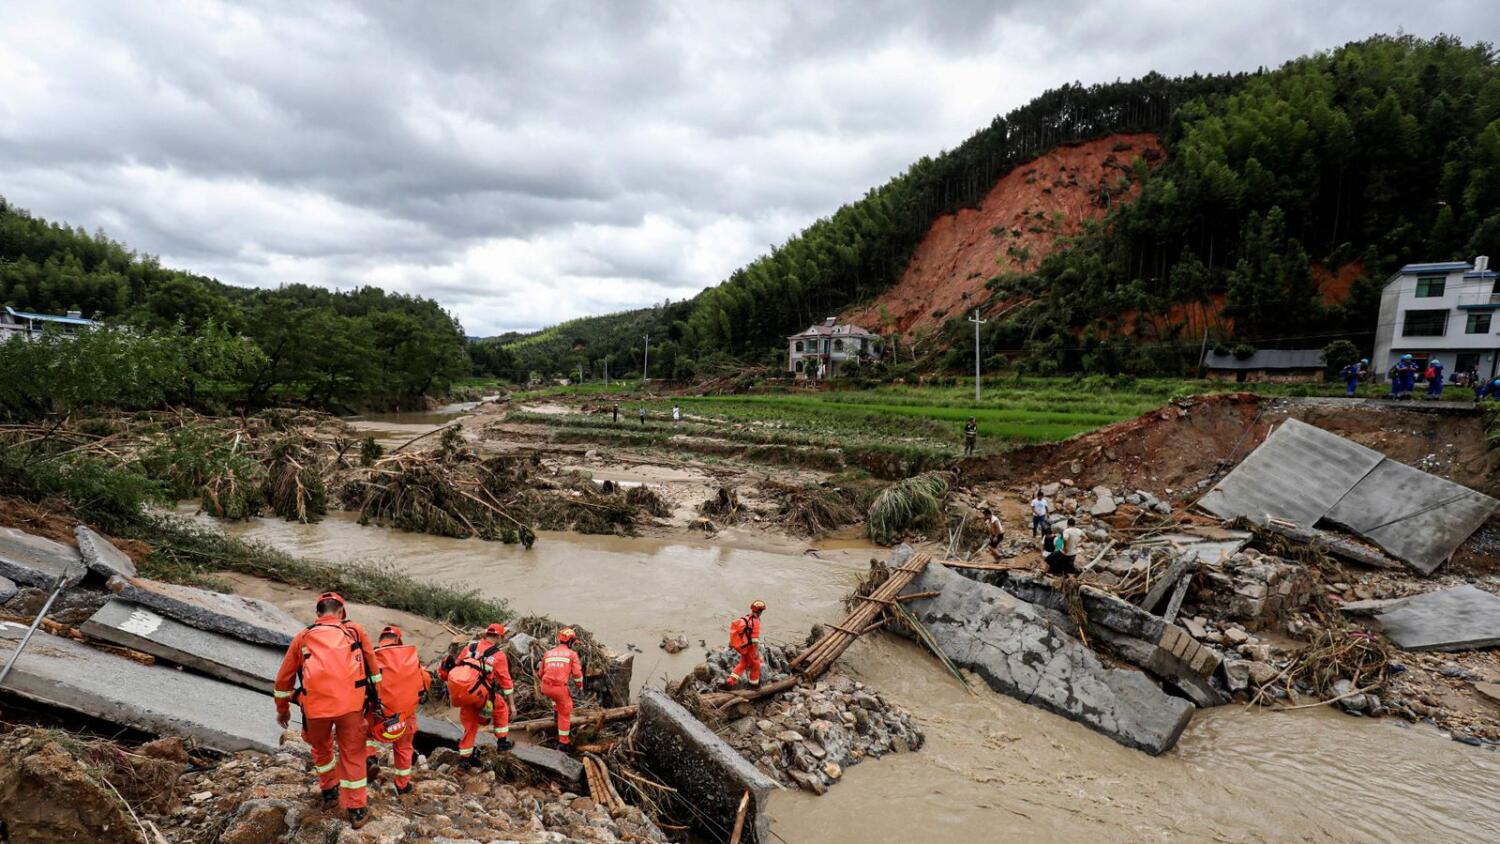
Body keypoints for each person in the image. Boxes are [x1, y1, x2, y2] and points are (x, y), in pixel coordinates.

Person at [273, 592, 380, 829]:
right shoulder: (355, 631)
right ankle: (357, 809)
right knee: (353, 753)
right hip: (351, 706)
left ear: (317, 614)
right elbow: (374, 671)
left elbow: (283, 680)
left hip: (316, 709)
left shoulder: (303, 637)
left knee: (321, 749)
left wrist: (283, 710)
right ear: (341, 612)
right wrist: (377, 703)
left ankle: (330, 793)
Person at [439, 623, 514, 769]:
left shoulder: (470, 648)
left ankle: (464, 760)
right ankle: (502, 742)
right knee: (500, 708)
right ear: (499, 637)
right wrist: (512, 704)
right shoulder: (498, 655)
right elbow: (506, 682)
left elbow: (456, 665)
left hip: (464, 693)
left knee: (470, 726)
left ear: (486, 634)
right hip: (481, 695)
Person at [366, 625, 430, 795]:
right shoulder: (412, 660)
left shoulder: (373, 657)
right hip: (405, 716)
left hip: (379, 714)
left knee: (365, 734)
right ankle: (402, 784)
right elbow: (425, 684)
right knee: (404, 747)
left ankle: (370, 758)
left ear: (381, 640)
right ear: (399, 641)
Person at [540, 628, 585, 750]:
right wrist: (579, 687)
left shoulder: (548, 653)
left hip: (545, 686)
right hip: (558, 689)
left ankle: (555, 713)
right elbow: (577, 675)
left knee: (555, 697)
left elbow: (540, 673)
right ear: (570, 642)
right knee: (565, 711)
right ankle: (564, 743)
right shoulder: (572, 654)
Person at [725, 600, 766, 690]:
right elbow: (755, 639)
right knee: (756, 665)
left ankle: (731, 680)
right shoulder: (756, 621)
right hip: (751, 647)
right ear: (759, 611)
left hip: (744, 646)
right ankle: (754, 685)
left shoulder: (747, 617)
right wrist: (755, 652)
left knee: (742, 664)